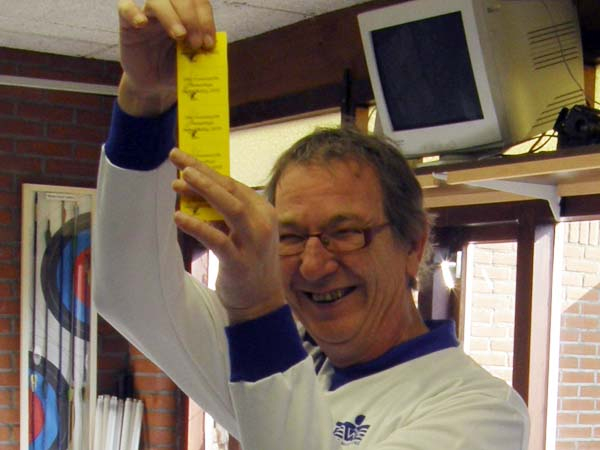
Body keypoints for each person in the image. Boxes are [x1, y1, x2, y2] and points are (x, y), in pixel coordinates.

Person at [93, 0, 530, 449]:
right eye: (290, 237)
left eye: (345, 233)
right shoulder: (287, 354)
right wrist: (144, 103)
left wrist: (257, 309)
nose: (314, 265)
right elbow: (132, 290)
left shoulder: (479, 412)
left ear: (413, 246)